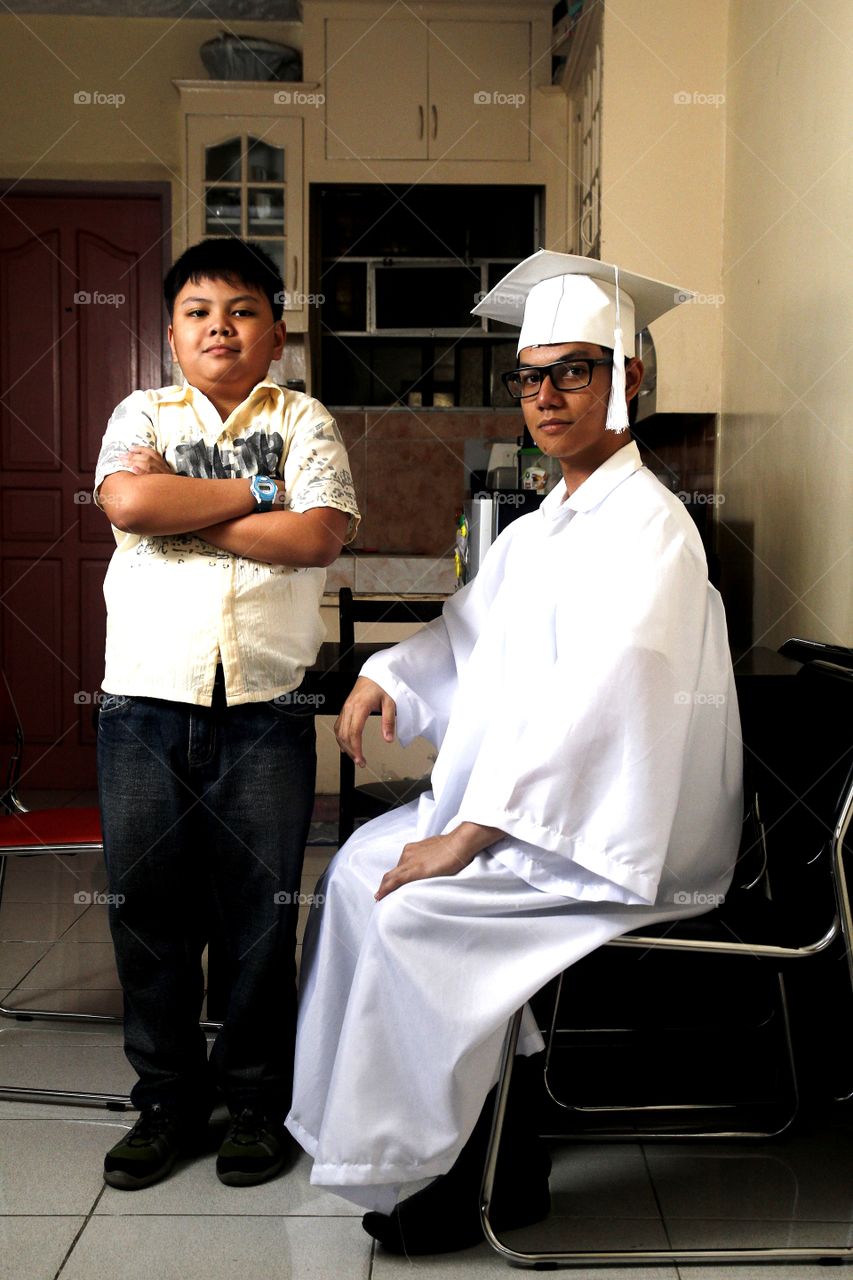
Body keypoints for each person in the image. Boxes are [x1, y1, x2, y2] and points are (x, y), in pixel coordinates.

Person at [284, 250, 743, 1254]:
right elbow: (466, 636)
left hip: (617, 830)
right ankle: (476, 1147)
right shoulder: (541, 529)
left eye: (573, 370)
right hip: (543, 809)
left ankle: (455, 1172)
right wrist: (390, 676)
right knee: (357, 869)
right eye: (528, 376)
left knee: (417, 909)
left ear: (629, 378)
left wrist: (473, 830)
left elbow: (603, 704)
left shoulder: (650, 530)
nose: (544, 396)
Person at [94, 237, 359, 1191]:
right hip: (144, 701)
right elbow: (128, 502)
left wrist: (184, 501)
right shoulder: (141, 412)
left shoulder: (305, 419)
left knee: (258, 915)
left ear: (276, 334)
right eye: (199, 312)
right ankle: (166, 1100)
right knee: (148, 913)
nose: (220, 328)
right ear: (171, 334)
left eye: (243, 311)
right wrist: (255, 492)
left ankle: (254, 1101)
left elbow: (316, 535)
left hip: (264, 707)